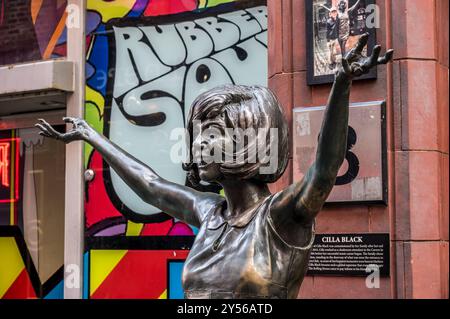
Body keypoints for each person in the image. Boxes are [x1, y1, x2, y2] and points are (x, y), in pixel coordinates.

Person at [36, 34, 393, 299]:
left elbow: (324, 172)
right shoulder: (210, 213)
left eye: (213, 134)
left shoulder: (280, 217)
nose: (200, 144)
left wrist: (341, 84)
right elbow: (151, 185)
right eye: (199, 134)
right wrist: (91, 136)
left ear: (248, 141)